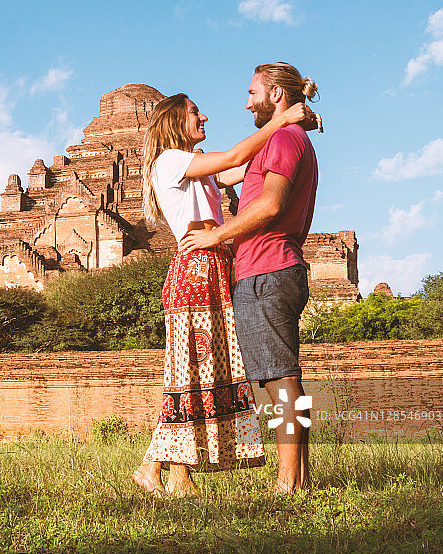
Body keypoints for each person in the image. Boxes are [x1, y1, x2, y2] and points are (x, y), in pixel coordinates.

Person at [132, 91, 319, 498]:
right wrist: (281, 118)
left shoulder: (197, 168)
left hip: (216, 267)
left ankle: (180, 475)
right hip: (196, 270)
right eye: (195, 113)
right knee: (189, 373)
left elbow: (246, 167)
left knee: (206, 374)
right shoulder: (170, 160)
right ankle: (151, 466)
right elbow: (236, 157)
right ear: (173, 123)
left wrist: (291, 126)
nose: (204, 117)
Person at [178, 62, 320, 493]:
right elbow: (225, 171)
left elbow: (271, 205)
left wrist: (217, 235)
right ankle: (299, 477)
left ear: (275, 94)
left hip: (267, 269)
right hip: (274, 268)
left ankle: (288, 482)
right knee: (283, 376)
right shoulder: (284, 138)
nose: (246, 101)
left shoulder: (282, 139)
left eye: (252, 92)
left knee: (281, 378)